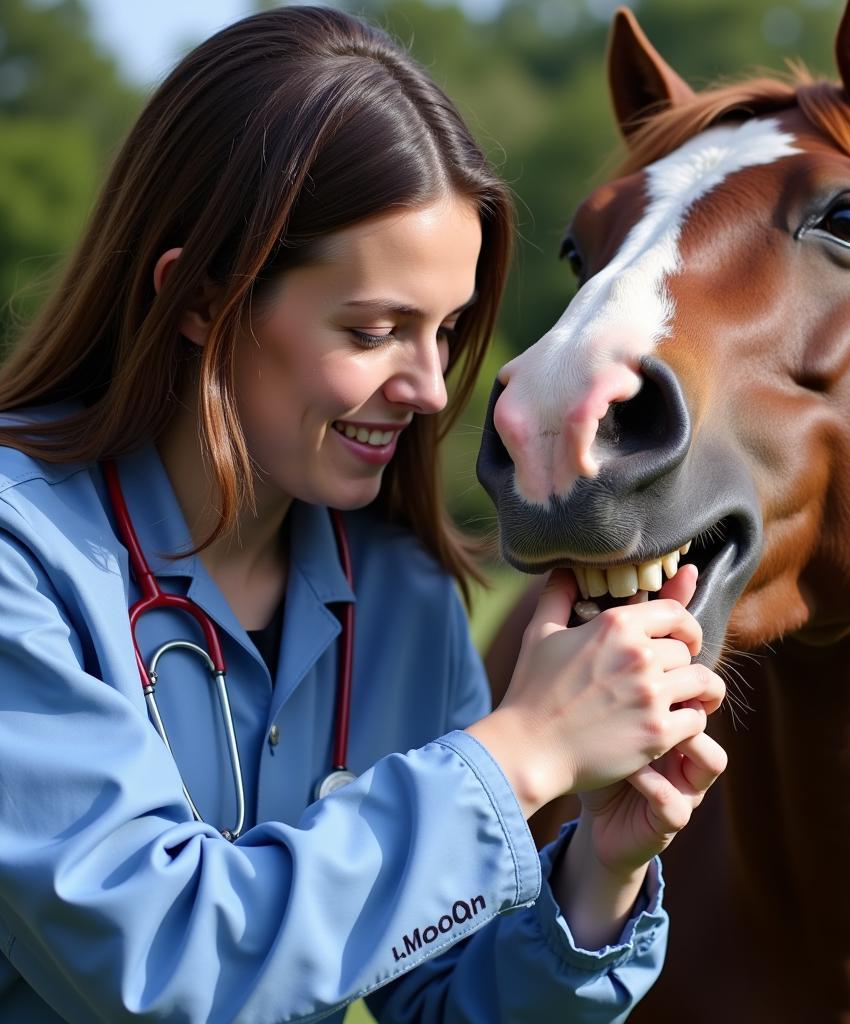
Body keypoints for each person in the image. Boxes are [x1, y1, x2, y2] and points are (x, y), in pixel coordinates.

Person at [0, 6, 727, 1022]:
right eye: (376, 329)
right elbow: (160, 960)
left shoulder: (402, 590)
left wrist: (596, 878)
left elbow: (436, 1001)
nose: (430, 388)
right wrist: (520, 754)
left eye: (447, 329)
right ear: (201, 299)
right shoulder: (16, 558)